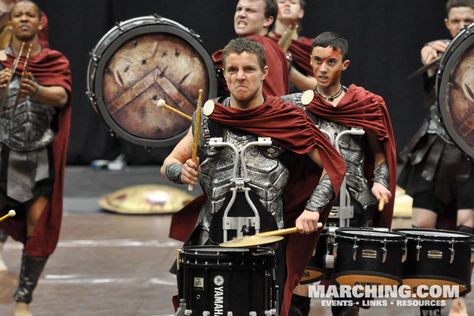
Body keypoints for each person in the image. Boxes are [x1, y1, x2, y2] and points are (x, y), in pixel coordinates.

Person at [162, 37, 346, 316]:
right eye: (232, 70)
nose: (240, 77)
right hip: (212, 240)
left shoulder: (286, 118)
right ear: (224, 74)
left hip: (268, 243)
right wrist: (181, 171)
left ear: (264, 73)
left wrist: (312, 210)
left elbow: (333, 165)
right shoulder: (210, 117)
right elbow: (170, 162)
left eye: (248, 69)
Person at [282, 31, 397, 316]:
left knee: (346, 302)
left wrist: (381, 182)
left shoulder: (365, 104)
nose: (322, 69)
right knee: (299, 289)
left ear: (344, 65)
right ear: (309, 60)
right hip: (308, 210)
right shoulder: (295, 105)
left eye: (331, 62)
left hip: (355, 208)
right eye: (317, 61)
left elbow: (379, 153)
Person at [398, 1, 474, 315]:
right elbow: (432, 96)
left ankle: (457, 297)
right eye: (456, 20)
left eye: (468, 19)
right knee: (423, 225)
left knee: (466, 224)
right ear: (447, 22)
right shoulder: (436, 51)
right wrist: (432, 63)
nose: (461, 25)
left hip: (470, 151)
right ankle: (427, 301)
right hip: (435, 148)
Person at [0, 1, 72, 315]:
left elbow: (62, 95)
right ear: (10, 22)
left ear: (40, 22)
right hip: (3, 155)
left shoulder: (54, 61)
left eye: (31, 14)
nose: (25, 19)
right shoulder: (0, 62)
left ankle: (22, 300)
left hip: (39, 158)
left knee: (37, 226)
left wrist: (37, 90)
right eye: (19, 15)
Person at [0, 0, 48, 274]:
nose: (24, 19)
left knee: (32, 212)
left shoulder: (30, 15)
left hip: (33, 143)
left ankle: (25, 288)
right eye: (18, 16)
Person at [212, 0, 289, 97]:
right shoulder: (272, 47)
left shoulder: (264, 49)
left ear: (267, 20)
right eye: (239, 9)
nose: (241, 14)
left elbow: (271, 103)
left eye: (250, 10)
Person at [270, 0, 317, 91]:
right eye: (282, 2)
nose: (287, 4)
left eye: (293, 2)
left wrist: (289, 70)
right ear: (273, 10)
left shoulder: (310, 46)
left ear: (301, 12)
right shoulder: (264, 42)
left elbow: (321, 87)